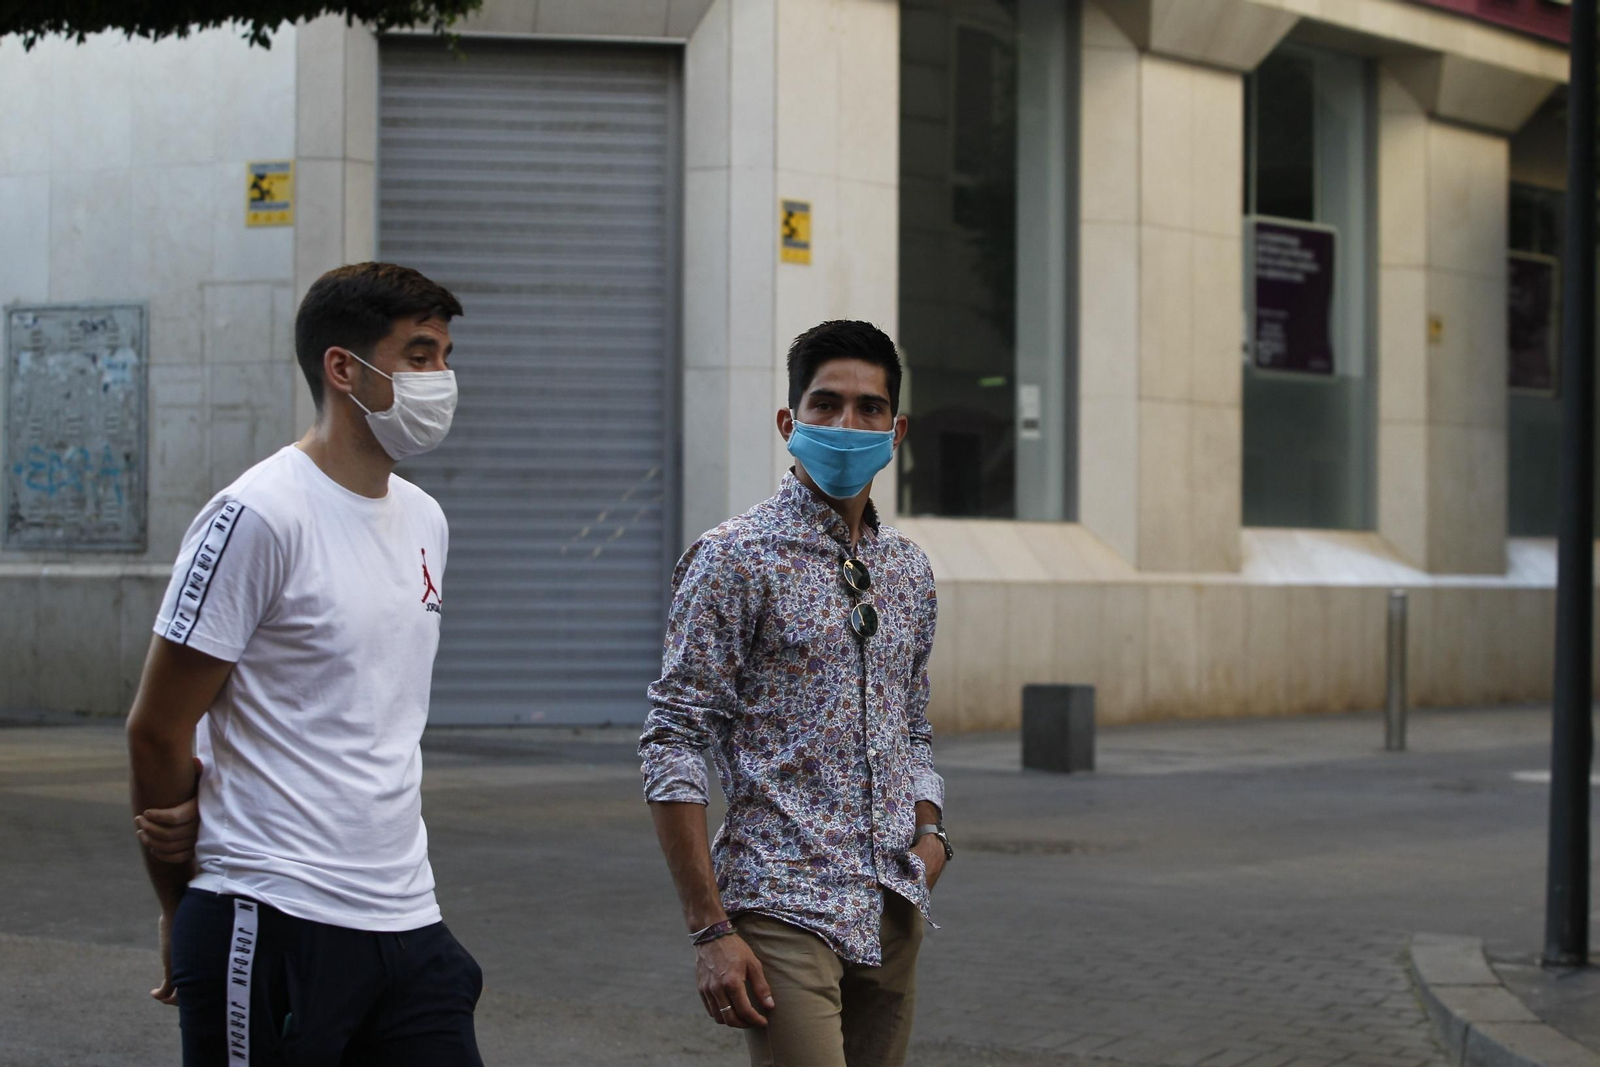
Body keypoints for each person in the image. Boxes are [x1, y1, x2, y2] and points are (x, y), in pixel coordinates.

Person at [125, 262, 484, 1066]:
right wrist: (176, 905)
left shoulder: (425, 519)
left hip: (407, 916)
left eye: (446, 356)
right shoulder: (259, 513)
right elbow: (156, 728)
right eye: (420, 354)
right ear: (343, 367)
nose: (442, 379)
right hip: (272, 909)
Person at [640, 320, 952, 1067]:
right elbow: (673, 737)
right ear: (789, 421)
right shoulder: (734, 558)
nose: (848, 424)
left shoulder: (908, 570)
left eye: (869, 408)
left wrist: (934, 833)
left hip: (893, 901)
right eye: (826, 404)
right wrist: (710, 928)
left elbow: (913, 724)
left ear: (896, 428)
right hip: (782, 900)